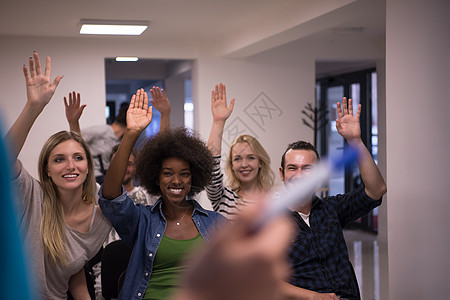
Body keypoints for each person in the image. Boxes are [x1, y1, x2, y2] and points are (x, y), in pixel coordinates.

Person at [99, 88, 225, 300]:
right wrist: (130, 135)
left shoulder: (216, 223)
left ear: (193, 178)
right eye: (168, 173)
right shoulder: (143, 220)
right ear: (156, 178)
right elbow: (111, 196)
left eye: (184, 174)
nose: (176, 180)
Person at [4, 52, 112, 299]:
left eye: (78, 159)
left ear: (88, 167)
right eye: (59, 160)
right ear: (47, 171)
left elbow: (72, 270)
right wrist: (33, 107)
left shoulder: (101, 219)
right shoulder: (33, 196)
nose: (70, 166)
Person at [278, 98, 387, 300]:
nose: (300, 175)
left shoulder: (331, 209)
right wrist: (313, 296)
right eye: (293, 168)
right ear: (282, 173)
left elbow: (376, 189)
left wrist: (355, 142)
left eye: (308, 169)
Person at [206, 83, 275, 219]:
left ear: (260, 162)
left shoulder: (275, 201)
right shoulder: (224, 197)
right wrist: (218, 122)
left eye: (250, 157)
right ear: (231, 165)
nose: (244, 164)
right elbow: (210, 165)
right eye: (237, 158)